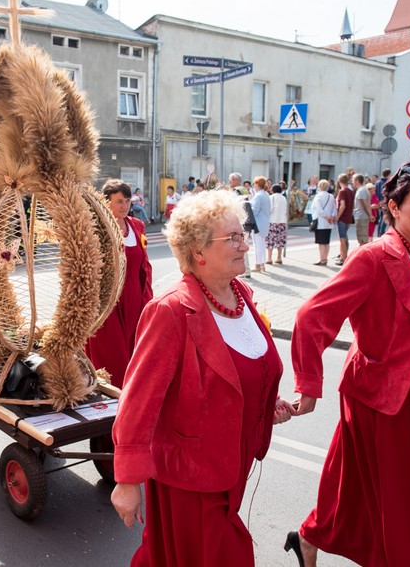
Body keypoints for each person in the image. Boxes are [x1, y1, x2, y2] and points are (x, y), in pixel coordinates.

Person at [285, 164, 410, 567]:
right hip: (389, 395)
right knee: (403, 498)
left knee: (402, 491)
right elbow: (313, 315)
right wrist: (308, 384)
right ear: (393, 208)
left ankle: (310, 535)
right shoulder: (376, 258)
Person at [111, 189, 295, 566]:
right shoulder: (172, 311)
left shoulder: (239, 294)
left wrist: (265, 403)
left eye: (242, 234)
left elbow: (240, 369)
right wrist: (127, 480)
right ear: (198, 251)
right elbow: (138, 401)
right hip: (190, 476)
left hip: (232, 464)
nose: (245, 245)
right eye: (233, 238)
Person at [85, 179, 153, 388]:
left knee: (137, 346)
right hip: (110, 299)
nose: (125, 206)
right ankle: (114, 392)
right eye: (119, 202)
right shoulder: (99, 230)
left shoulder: (137, 226)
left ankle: (135, 388)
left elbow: (145, 265)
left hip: (134, 297)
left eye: (127, 201)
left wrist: (147, 298)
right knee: (113, 351)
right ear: (107, 203)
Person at [309, 179, 336, 266]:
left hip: (321, 222)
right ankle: (325, 258)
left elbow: (319, 210)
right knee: (327, 242)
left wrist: (326, 217)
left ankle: (322, 259)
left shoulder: (318, 196)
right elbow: (334, 208)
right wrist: (331, 217)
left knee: (321, 242)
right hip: (329, 223)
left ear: (320, 187)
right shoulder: (331, 196)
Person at [249, 176, 271, 273]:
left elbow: (254, 210)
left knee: (257, 245)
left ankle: (258, 264)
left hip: (257, 223)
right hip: (264, 222)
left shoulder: (258, 196)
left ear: (257, 184)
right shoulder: (266, 194)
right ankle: (262, 264)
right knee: (261, 244)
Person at [334, 174, 354, 266]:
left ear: (339, 181)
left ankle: (344, 258)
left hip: (342, 217)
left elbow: (342, 205)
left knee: (342, 238)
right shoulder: (351, 191)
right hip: (349, 216)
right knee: (345, 237)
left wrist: (337, 217)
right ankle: (343, 256)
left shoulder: (342, 192)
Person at [266, 183, 288, 265]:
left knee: (270, 240)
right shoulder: (284, 198)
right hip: (282, 220)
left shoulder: (271, 198)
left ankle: (269, 258)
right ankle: (279, 257)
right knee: (280, 239)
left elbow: (270, 209)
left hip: (272, 220)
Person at [351, 173, 373, 247]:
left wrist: (370, 215)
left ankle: (364, 255)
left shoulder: (361, 190)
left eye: (353, 180)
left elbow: (365, 204)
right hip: (361, 216)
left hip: (361, 217)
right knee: (361, 238)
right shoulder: (362, 190)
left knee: (362, 239)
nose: (352, 182)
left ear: (357, 181)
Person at [375, 168, 391, 236]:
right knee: (384, 217)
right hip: (385, 202)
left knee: (381, 217)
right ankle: (381, 232)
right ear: (388, 174)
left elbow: (375, 192)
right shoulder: (388, 182)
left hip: (378, 202)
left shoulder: (377, 182)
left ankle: (379, 232)